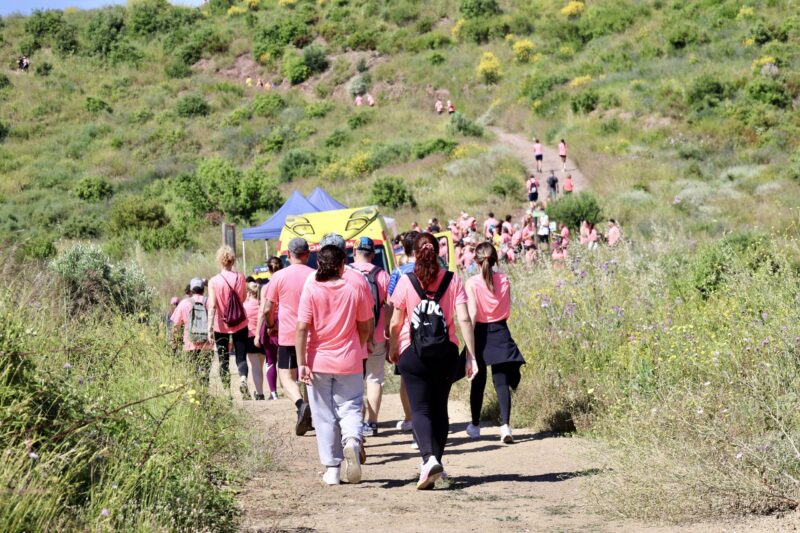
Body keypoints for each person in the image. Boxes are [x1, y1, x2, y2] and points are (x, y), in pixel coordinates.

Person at [388, 233, 478, 489]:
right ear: (438, 251)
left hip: (413, 353)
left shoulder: (406, 282)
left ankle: (428, 460)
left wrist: (394, 349)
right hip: (445, 353)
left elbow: (396, 322)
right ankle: (436, 461)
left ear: (415, 253)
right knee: (440, 409)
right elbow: (464, 319)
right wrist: (470, 355)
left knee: (420, 409)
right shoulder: (453, 280)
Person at [297, 245, 373, 485]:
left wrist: (301, 363)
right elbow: (365, 325)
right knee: (350, 407)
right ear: (342, 265)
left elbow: (301, 328)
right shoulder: (353, 289)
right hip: (349, 359)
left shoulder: (310, 289)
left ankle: (332, 470)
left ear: (319, 264)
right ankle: (352, 440)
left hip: (317, 359)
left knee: (323, 415)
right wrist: (358, 346)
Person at [466, 243, 525, 443]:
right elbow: (507, 309)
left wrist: (469, 344)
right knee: (501, 382)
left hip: (480, 332)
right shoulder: (504, 279)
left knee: (478, 381)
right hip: (500, 330)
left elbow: (472, 314)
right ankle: (505, 426)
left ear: (476, 261)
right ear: (495, 260)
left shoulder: (472, 283)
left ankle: (475, 425)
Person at [257, 238, 315, 435]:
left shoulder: (278, 276)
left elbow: (267, 308)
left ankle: (300, 405)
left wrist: (271, 326)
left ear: (288, 255)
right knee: (309, 376)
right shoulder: (315, 275)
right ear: (307, 254)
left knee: (286, 377)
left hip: (288, 335)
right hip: (311, 335)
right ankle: (311, 412)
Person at [350, 237, 391, 438]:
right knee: (375, 379)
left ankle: (355, 422)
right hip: (377, 335)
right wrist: (389, 333)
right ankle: (372, 423)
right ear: (373, 254)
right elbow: (390, 305)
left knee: (354, 380)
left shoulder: (347, 273)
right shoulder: (382, 275)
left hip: (353, 335)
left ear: (355, 251)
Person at [387, 231, 420, 439]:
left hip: (405, 334)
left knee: (406, 380)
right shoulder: (433, 270)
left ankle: (410, 418)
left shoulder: (398, 273)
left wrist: (390, 334)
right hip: (432, 330)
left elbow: (390, 302)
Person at [207, 246, 250, 399]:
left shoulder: (214, 281)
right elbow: (244, 298)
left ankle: (227, 393)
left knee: (223, 359)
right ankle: (243, 380)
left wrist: (209, 328)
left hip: (221, 325)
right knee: (241, 356)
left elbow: (212, 305)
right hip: (240, 322)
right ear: (233, 260)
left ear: (219, 261)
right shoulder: (241, 277)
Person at [171, 278, 215, 386]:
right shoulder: (209, 302)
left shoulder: (184, 303)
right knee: (205, 372)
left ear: (191, 290)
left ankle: (195, 396)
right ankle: (204, 393)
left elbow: (176, 325)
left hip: (190, 344)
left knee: (192, 372)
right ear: (203, 290)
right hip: (207, 344)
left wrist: (174, 341)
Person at [259, 256, 283, 400]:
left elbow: (263, 310)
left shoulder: (266, 287)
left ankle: (273, 392)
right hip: (286, 321)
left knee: (270, 360)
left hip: (270, 322)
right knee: (293, 358)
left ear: (268, 270)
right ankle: (298, 387)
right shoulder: (286, 283)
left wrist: (257, 333)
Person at [244, 281, 268, 400]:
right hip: (263, 337)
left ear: (248, 292)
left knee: (255, 367)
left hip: (250, 337)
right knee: (260, 366)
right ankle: (261, 391)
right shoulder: (262, 304)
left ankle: (260, 393)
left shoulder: (245, 306)